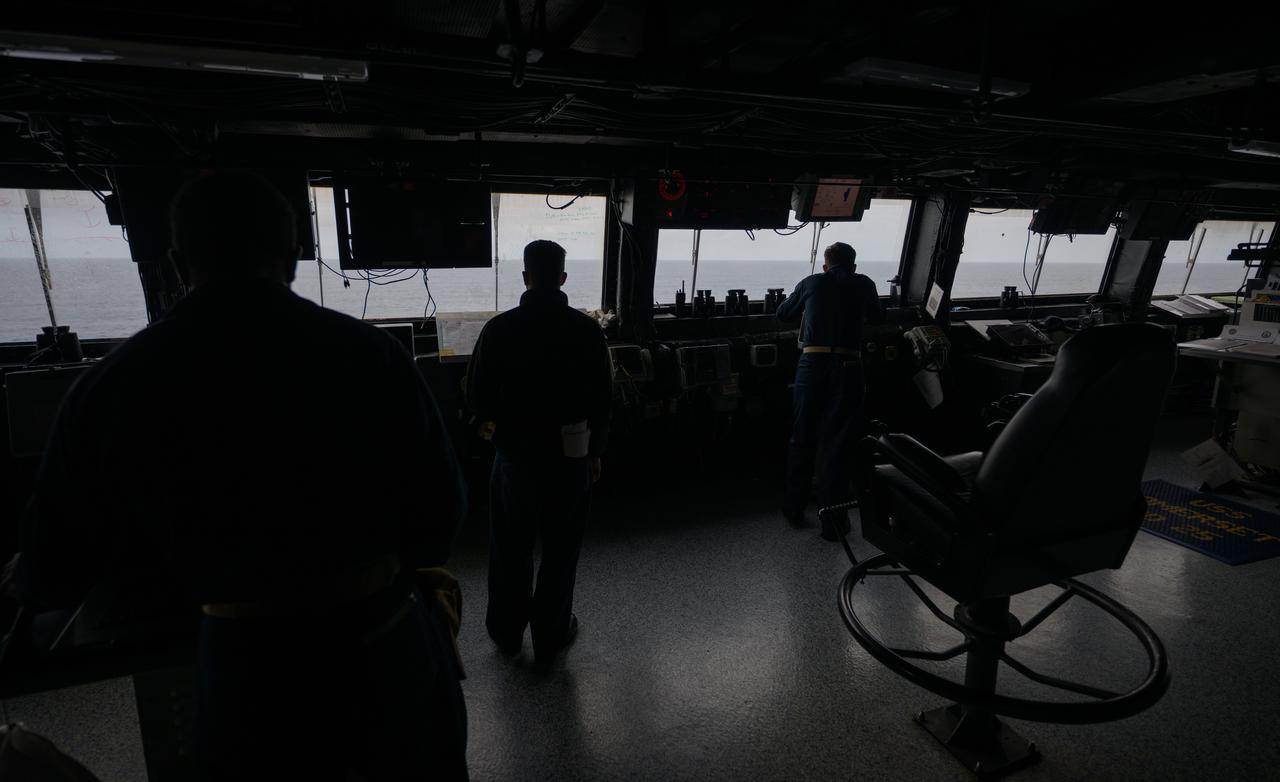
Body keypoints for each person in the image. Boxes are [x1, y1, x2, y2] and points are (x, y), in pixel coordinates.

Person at [7, 172, 468, 780]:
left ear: (175, 262)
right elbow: (440, 518)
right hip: (380, 641)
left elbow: (54, 570)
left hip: (245, 663)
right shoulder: (372, 355)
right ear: (294, 255)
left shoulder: (111, 385)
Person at [465, 240, 612, 666]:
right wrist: (595, 452)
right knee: (562, 547)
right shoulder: (587, 331)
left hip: (515, 459)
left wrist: (496, 438)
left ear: (525, 276)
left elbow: (477, 398)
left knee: (510, 547)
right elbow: (603, 399)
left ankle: (506, 632)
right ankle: (551, 633)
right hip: (571, 457)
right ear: (563, 278)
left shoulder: (499, 329)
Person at [776, 241, 882, 541]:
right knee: (837, 443)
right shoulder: (864, 284)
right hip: (850, 366)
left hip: (813, 363)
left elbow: (783, 313)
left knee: (802, 436)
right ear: (854, 266)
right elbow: (878, 317)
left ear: (825, 265)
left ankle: (793, 508)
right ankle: (833, 522)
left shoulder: (811, 282)